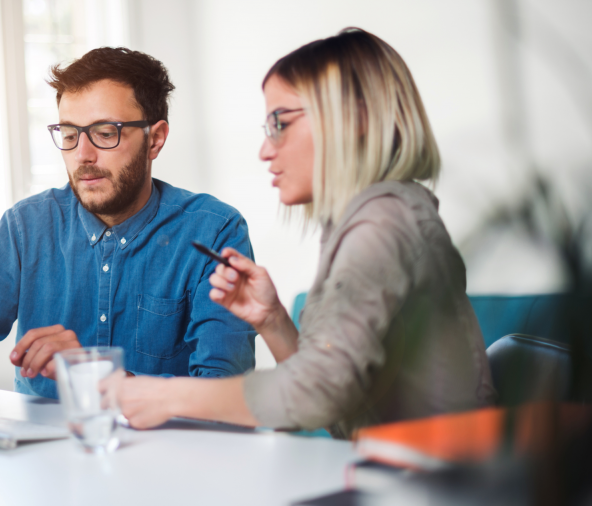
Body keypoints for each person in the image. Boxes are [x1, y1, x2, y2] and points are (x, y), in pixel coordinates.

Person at [119, 28, 497, 438]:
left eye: (280, 123)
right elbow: (339, 399)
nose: (266, 150)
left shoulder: (382, 226)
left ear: (356, 118)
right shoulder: (374, 217)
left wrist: (165, 396)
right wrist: (274, 320)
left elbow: (318, 394)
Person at [0, 47, 256, 415]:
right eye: (69, 133)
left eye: (104, 133)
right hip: (43, 462)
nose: (83, 155)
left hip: (166, 463)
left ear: (155, 139)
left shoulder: (214, 231)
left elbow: (229, 398)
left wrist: (97, 374)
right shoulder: (26, 228)